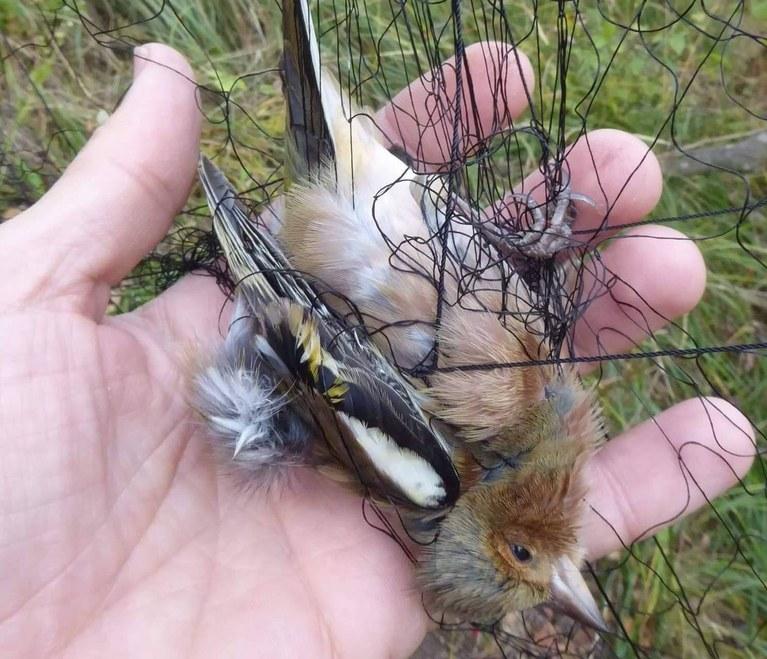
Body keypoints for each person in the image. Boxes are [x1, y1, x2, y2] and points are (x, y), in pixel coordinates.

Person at [0, 44, 755, 657]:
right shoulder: (506, 444)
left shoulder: (428, 474)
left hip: (358, 235)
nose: (561, 555)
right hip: (398, 226)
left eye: (526, 558)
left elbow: (312, 346)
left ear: (492, 527)